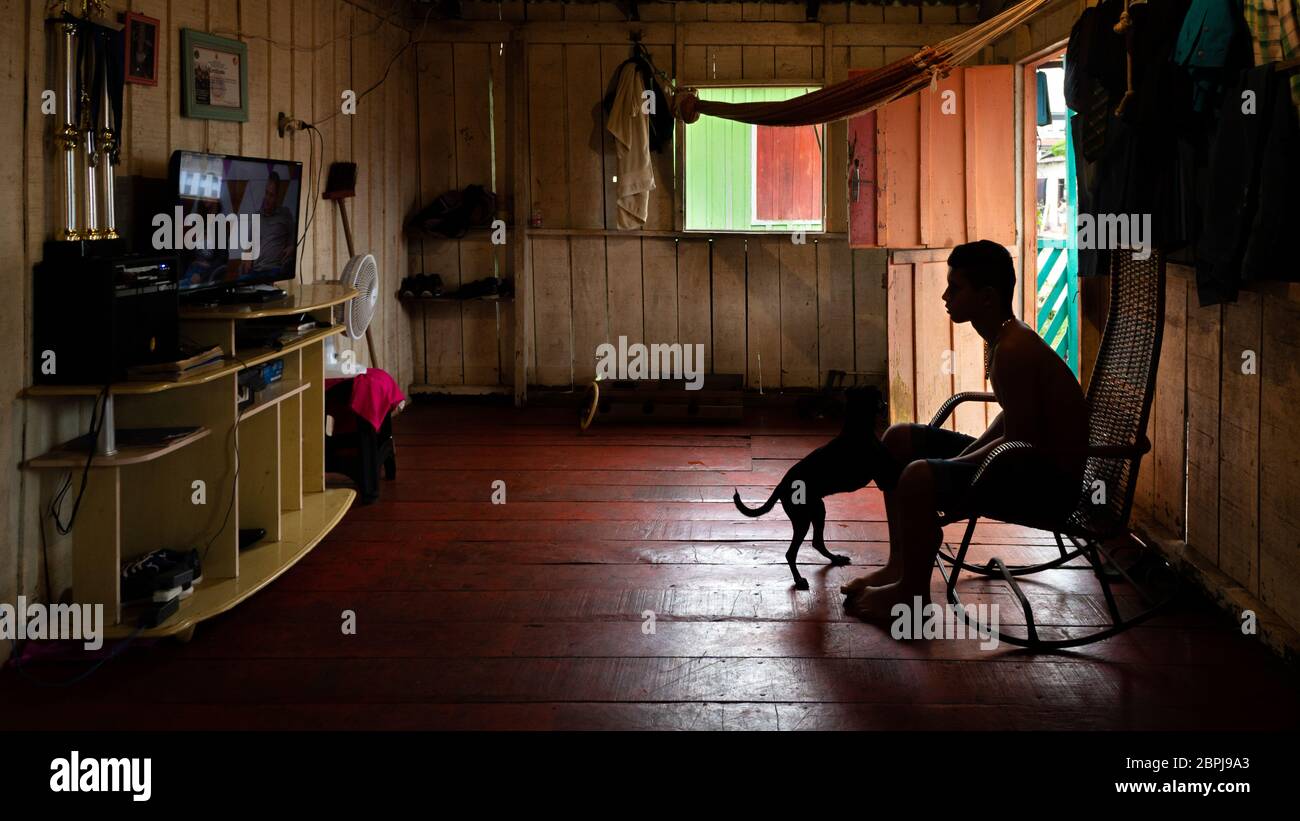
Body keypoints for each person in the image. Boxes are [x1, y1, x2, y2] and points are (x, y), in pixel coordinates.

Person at [842, 240, 1089, 621]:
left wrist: (948, 472)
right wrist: (957, 462)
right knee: (898, 440)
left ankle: (912, 596)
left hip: (1047, 486)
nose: (945, 295)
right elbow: (1010, 420)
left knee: (918, 476)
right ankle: (900, 565)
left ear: (987, 297)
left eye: (955, 288)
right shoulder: (1003, 338)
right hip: (1021, 461)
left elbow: (1020, 443)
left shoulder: (1013, 350)